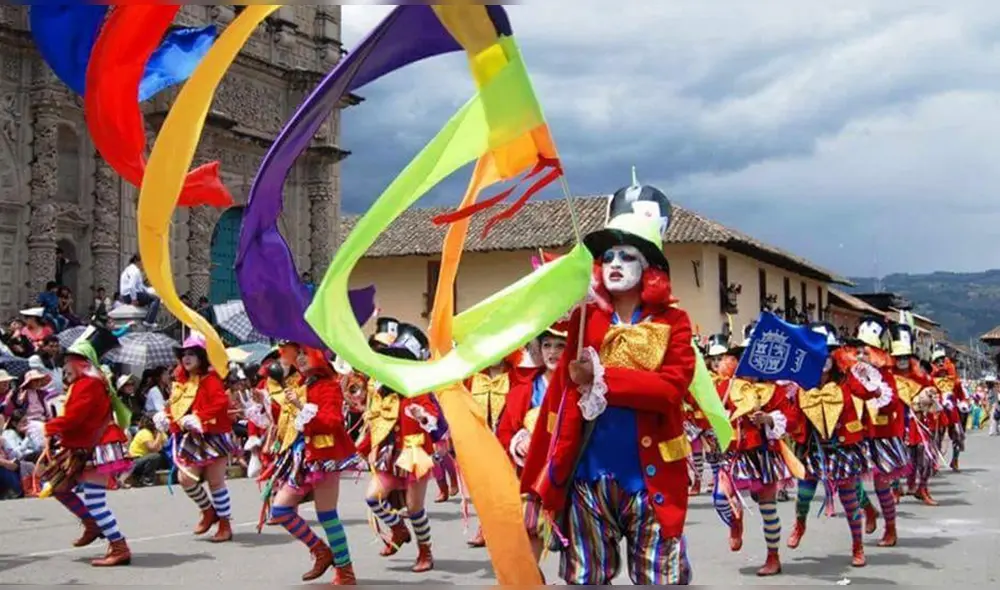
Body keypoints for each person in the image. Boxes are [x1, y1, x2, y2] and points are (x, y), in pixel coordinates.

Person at [520, 180, 696, 585]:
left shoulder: (675, 322)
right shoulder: (585, 320)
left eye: (627, 255)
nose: (615, 262)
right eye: (608, 256)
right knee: (585, 579)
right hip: (587, 478)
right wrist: (533, 484)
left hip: (651, 480)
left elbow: (670, 390)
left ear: (650, 269)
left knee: (659, 580)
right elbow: (558, 405)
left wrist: (600, 377)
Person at [246, 346, 363, 585]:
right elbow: (285, 421)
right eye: (297, 353)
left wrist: (301, 407)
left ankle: (345, 571)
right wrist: (265, 403)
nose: (299, 358)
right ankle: (321, 551)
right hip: (300, 458)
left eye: (305, 353)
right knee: (280, 510)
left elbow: (332, 422)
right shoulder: (300, 384)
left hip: (323, 457)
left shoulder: (329, 386)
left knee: (327, 516)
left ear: (319, 356)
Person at [787, 323, 893, 567]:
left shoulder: (845, 379)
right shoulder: (802, 383)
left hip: (843, 449)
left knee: (849, 500)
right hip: (813, 449)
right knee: (803, 496)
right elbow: (792, 416)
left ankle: (858, 547)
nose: (822, 358)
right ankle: (800, 525)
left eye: (827, 352)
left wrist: (875, 389)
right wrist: (774, 419)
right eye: (817, 352)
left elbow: (863, 392)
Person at [38, 326, 133, 566]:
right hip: (83, 446)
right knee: (59, 487)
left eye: (68, 361)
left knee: (94, 501)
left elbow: (74, 418)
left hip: (97, 446)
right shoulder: (84, 383)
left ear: (81, 362)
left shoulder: (88, 384)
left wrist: (49, 427)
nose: (64, 366)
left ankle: (119, 546)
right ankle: (92, 523)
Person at [359, 323, 439, 573]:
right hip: (388, 454)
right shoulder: (382, 389)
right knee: (373, 498)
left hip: (414, 454)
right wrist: (360, 449)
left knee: (415, 508)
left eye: (400, 359)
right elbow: (376, 423)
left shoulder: (419, 388)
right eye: (391, 358)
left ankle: (425, 550)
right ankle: (398, 529)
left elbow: (434, 418)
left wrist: (422, 415)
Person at [495, 321, 567, 562]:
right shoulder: (525, 388)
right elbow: (505, 431)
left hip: (571, 474)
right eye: (547, 345)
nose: (553, 352)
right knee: (530, 530)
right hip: (532, 473)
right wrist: (518, 442)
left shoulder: (579, 388)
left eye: (560, 346)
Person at [154, 332, 236, 542]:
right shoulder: (180, 382)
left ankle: (225, 524)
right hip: (190, 438)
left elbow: (220, 403)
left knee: (215, 482)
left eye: (191, 354)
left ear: (201, 357)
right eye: (184, 354)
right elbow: (177, 408)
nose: (186, 358)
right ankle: (208, 511)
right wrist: (166, 418)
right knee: (185, 479)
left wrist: (200, 417)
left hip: (213, 435)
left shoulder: (211, 379)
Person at [118, 254, 159, 327]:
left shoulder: (128, 269)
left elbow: (141, 287)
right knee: (156, 299)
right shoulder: (135, 271)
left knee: (151, 298)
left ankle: (149, 318)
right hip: (130, 295)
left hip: (126, 295)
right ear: (137, 261)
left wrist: (151, 291)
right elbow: (131, 286)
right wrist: (134, 299)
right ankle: (149, 321)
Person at [126, 415, 165, 487]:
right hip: (134, 461)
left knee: (161, 455)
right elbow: (153, 448)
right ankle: (146, 480)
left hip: (142, 460)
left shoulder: (151, 433)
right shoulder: (144, 432)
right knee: (155, 456)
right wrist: (159, 433)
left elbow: (161, 447)